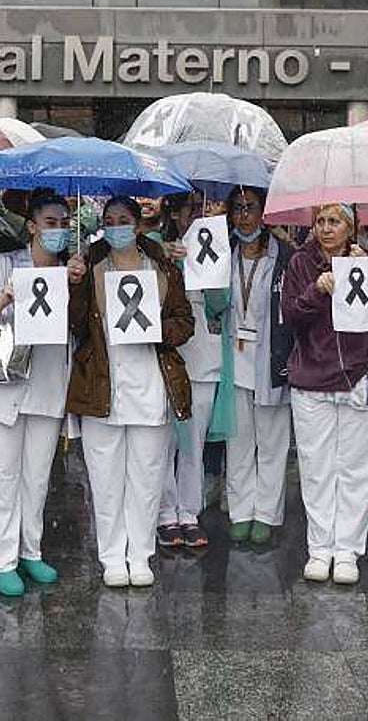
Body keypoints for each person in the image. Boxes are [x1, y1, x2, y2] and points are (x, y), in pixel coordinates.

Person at [66, 196, 194, 588]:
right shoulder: (90, 266)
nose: (117, 225)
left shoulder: (163, 266)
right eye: (110, 220)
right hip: (101, 387)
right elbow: (74, 326)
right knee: (105, 481)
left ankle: (140, 554)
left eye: (124, 220)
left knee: (147, 477)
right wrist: (71, 283)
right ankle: (111, 556)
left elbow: (184, 323)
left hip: (151, 386)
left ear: (138, 226)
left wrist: (156, 327)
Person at [0, 190, 77, 596]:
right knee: (1, 476)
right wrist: (4, 298)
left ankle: (31, 550)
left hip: (46, 386)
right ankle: (2, 559)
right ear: (31, 225)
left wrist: (75, 286)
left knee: (36, 478)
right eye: (50, 222)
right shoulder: (4, 265)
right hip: (0, 389)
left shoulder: (68, 272)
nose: (58, 231)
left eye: (64, 224)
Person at [281, 203, 368, 585]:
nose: (326, 229)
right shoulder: (300, 264)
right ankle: (319, 548)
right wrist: (316, 291)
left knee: (355, 469)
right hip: (312, 377)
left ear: (350, 227)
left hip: (357, 376)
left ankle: (348, 550)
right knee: (317, 469)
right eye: (321, 221)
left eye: (335, 221)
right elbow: (290, 314)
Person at [223, 186, 294, 546]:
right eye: (237, 208)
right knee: (239, 441)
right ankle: (240, 511)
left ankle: (265, 513)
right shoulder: (221, 254)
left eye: (250, 208)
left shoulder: (285, 257)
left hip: (271, 360)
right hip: (235, 360)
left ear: (264, 212)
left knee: (272, 442)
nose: (243, 216)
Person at [156, 190, 218, 549]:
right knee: (164, 442)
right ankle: (165, 513)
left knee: (193, 443)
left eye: (202, 207)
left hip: (204, 361)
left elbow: (221, 305)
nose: (198, 215)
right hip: (167, 358)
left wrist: (206, 269)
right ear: (175, 214)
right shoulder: (155, 249)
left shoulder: (217, 248)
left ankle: (189, 512)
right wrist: (170, 261)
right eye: (191, 209)